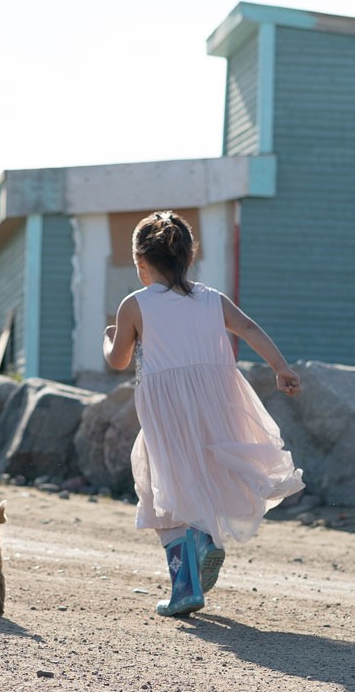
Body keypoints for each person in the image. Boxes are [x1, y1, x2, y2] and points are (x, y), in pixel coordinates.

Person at [102, 210, 305, 617]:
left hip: (165, 409)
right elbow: (247, 328)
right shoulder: (212, 298)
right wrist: (280, 367)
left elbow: (119, 360)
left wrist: (108, 341)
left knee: (161, 486)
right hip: (216, 401)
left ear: (141, 263)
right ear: (187, 258)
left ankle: (186, 583)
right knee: (205, 476)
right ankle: (204, 539)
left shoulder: (135, 304)